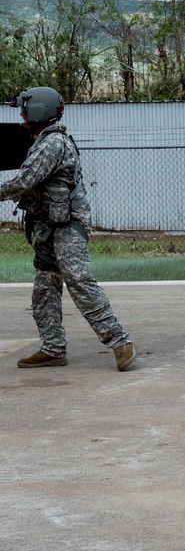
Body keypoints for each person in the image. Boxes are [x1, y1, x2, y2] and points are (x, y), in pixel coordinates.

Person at [0, 87, 135, 371]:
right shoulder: (41, 141)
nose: (22, 116)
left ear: (38, 110)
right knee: (44, 287)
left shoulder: (53, 143)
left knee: (79, 280)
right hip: (49, 225)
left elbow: (23, 181)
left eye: (25, 110)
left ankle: (120, 342)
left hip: (67, 226)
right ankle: (53, 348)